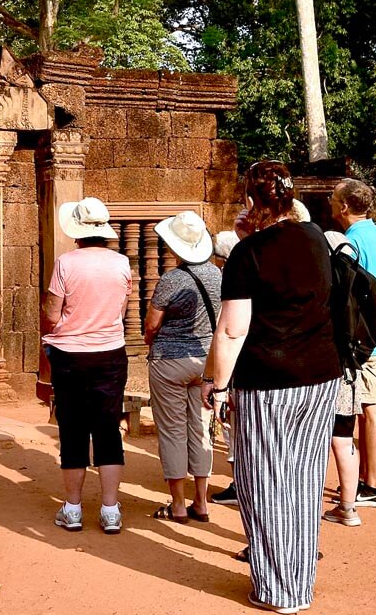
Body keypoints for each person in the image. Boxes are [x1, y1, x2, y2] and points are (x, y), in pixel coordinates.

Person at [201, 161, 340, 614]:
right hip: (320, 375)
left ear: (250, 200)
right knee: (302, 478)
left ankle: (278, 589)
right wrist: (250, 240)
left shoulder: (248, 255)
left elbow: (231, 331)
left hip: (270, 380)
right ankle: (299, 582)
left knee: (263, 481)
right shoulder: (315, 238)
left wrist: (217, 385)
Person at [41, 197, 132, 535]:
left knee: (73, 431)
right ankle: (110, 509)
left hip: (70, 354)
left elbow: (52, 313)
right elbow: (120, 310)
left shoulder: (66, 263)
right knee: (108, 428)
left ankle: (74, 507)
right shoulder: (122, 263)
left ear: (77, 229)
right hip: (109, 351)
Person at [143, 210, 221, 524]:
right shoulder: (217, 275)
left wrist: (152, 338)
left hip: (169, 360)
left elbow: (151, 324)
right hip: (206, 359)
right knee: (201, 430)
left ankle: (177, 504)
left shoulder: (171, 279)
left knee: (173, 432)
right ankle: (200, 501)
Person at [329, 178, 376, 508]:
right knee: (371, 409)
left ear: (344, 207)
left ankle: (372, 485)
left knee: (369, 411)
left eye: (332, 198)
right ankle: (366, 479)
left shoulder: (350, 241)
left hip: (365, 339)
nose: (330, 202)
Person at [321, 230, 363, 528]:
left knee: (313, 445)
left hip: (322, 372)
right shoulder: (363, 285)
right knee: (344, 441)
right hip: (350, 371)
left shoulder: (324, 285)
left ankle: (305, 511)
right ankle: (349, 507)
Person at [208, 230, 239, 507]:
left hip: (234, 365)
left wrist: (217, 384)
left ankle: (240, 485)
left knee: (231, 428)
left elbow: (226, 331)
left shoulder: (231, 279)